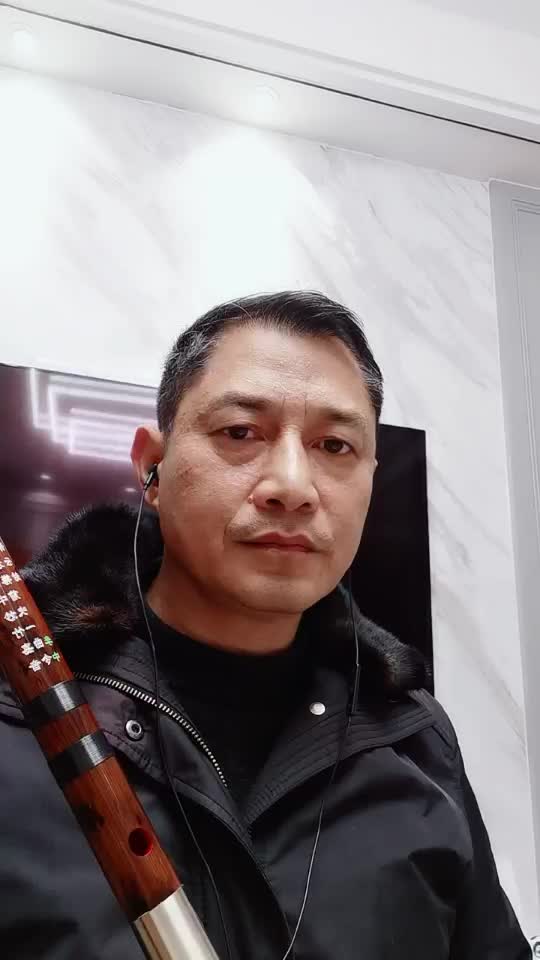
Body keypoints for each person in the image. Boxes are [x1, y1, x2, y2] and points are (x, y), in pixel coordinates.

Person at [0, 291, 529, 959]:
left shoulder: (416, 740)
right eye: (240, 433)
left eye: (335, 445)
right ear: (151, 467)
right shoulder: (17, 717)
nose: (292, 485)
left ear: (370, 479)